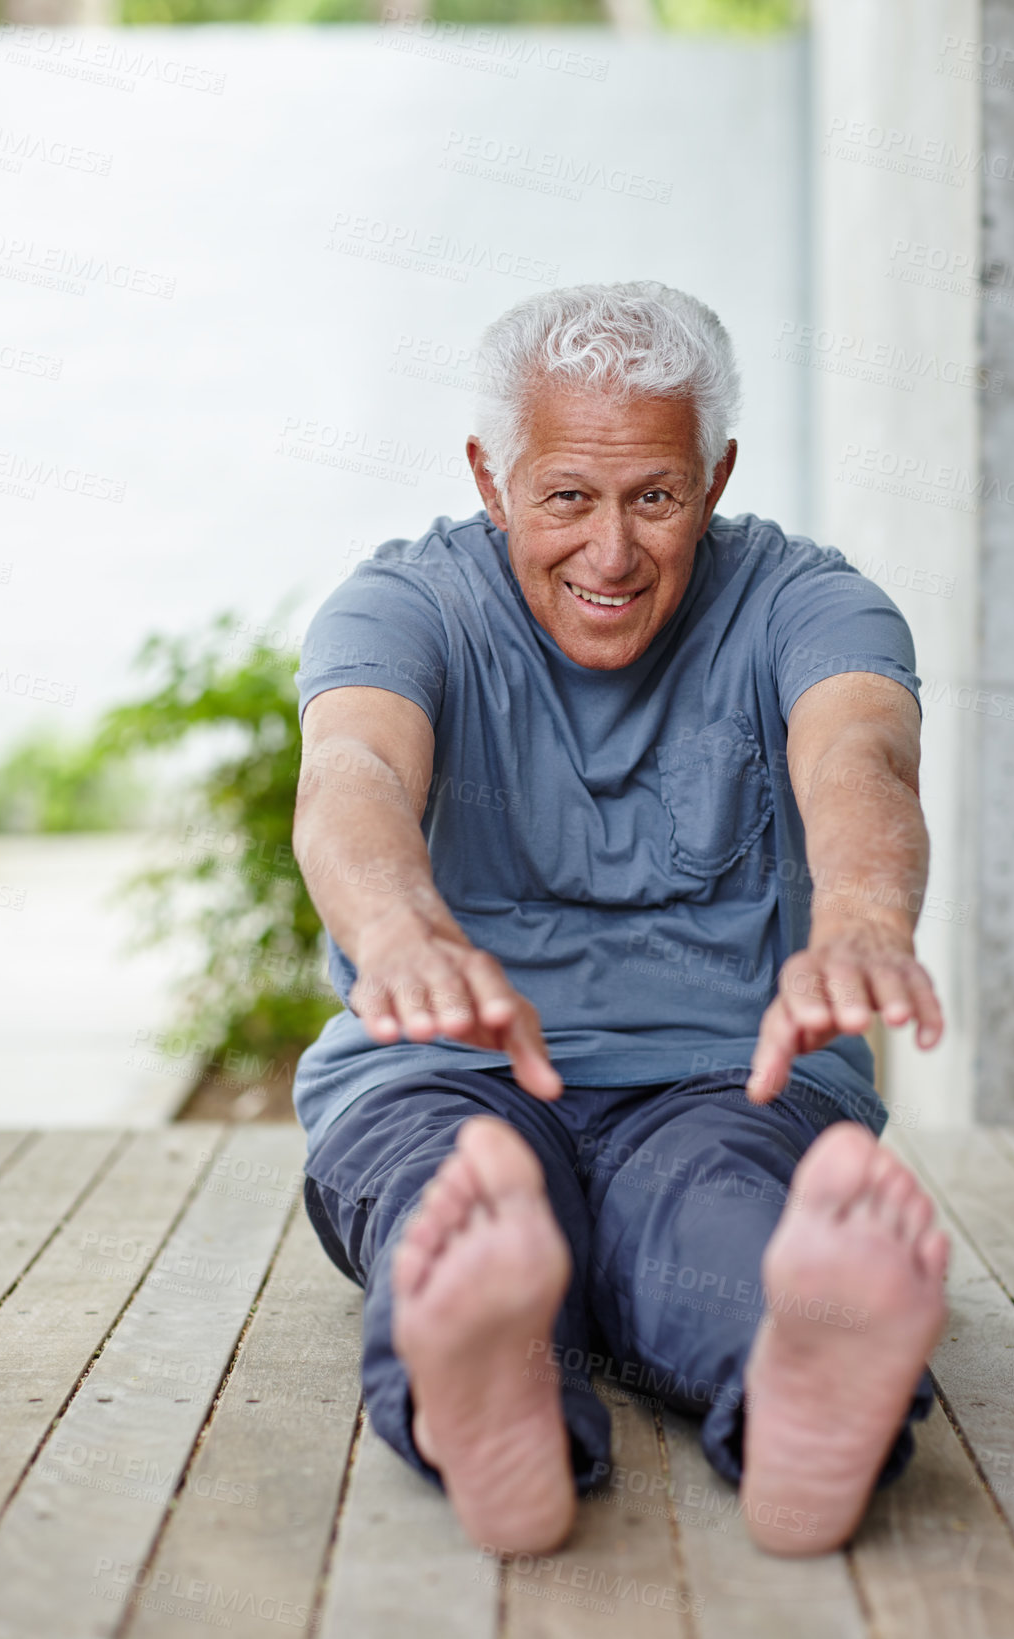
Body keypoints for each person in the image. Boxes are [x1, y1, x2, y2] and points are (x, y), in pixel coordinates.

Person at [291, 281, 949, 1559]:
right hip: (449, 1076)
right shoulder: (401, 607)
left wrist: (863, 917)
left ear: (715, 476)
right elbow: (350, 780)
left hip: (726, 1081)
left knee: (721, 1216)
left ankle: (809, 1394)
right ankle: (493, 1402)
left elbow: (859, 756)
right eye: (566, 499)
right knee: (463, 1199)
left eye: (654, 497)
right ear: (491, 477)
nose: (609, 554)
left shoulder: (810, 604)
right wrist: (403, 931)